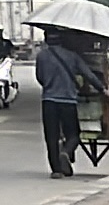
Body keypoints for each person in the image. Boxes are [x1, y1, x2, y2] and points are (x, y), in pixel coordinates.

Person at [31, 25, 99, 178]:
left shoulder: (41, 56)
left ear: (46, 40)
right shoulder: (72, 56)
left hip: (49, 100)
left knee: (51, 136)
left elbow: (40, 77)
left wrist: (49, 86)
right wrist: (103, 89)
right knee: (73, 134)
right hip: (68, 101)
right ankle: (66, 151)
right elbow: (88, 75)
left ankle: (56, 170)